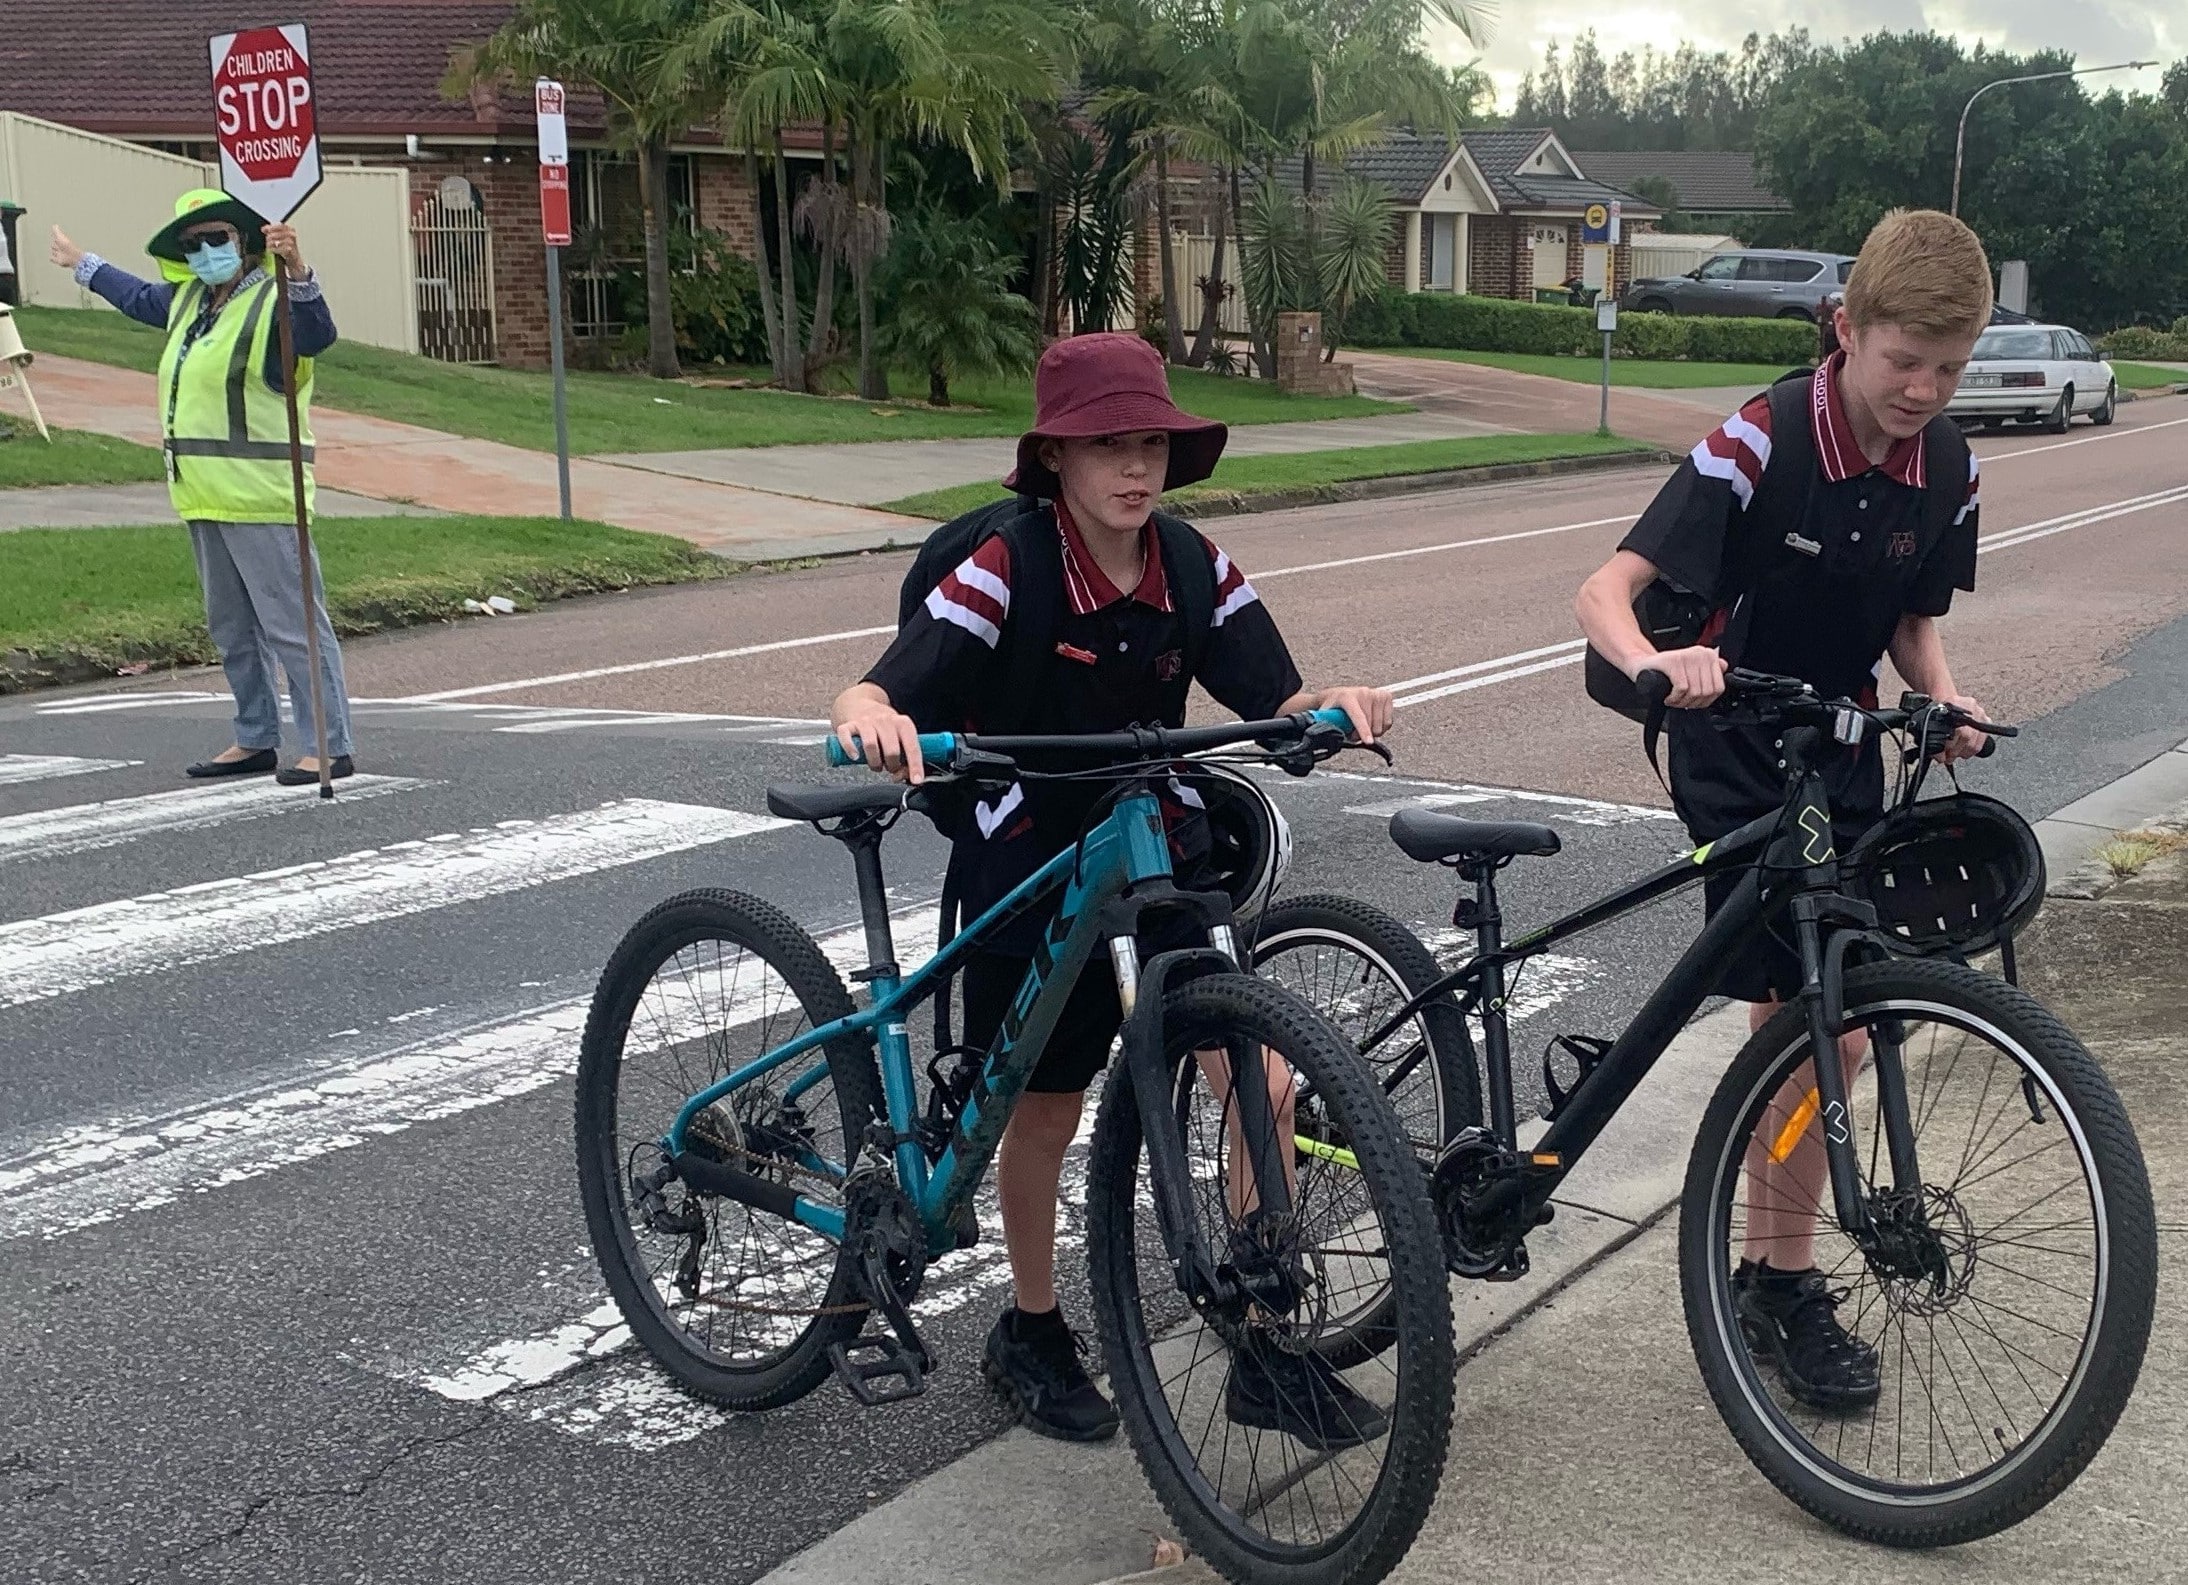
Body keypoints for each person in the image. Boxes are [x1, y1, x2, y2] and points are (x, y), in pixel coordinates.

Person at [831, 333, 1394, 1447]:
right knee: (1039, 1110)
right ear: (1054, 459)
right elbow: (888, 679)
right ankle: (1030, 1329)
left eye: (1149, 443)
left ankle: (1266, 1342)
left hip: (1151, 838)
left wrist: (1329, 704)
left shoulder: (1191, 563)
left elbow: (1273, 692)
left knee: (1259, 1077)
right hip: (1027, 841)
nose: (1133, 468)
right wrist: (871, 713)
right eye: (1105, 446)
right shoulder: (1007, 566)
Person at [1574, 210, 1993, 1413]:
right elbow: (1605, 589)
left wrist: (1947, 698)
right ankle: (1783, 1271)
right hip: (1730, 730)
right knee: (1815, 1019)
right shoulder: (1760, 439)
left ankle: (1769, 1270)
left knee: (1829, 1025)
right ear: (1843, 328)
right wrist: (1657, 669)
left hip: (1843, 741)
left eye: (1947, 368)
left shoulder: (1952, 467)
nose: (1921, 388)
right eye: (1902, 359)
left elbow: (1912, 621)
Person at [50, 190, 355, 785]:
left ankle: (329, 745)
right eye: (193, 244)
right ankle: (255, 736)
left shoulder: (275, 302)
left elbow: (316, 335)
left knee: (293, 627)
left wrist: (298, 270)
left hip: (263, 497)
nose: (207, 251)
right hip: (202, 495)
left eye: (218, 238)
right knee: (232, 629)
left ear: (243, 241)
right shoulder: (189, 301)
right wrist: (82, 262)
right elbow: (137, 296)